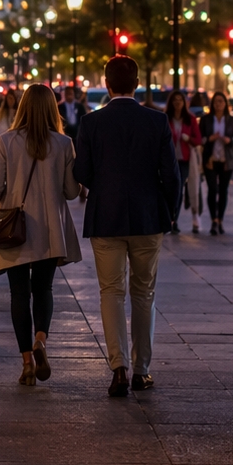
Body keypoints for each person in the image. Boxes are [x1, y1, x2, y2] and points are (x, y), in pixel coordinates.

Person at [74, 56, 180, 396]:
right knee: (144, 292)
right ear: (136, 84)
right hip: (148, 216)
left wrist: (103, 185)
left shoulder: (92, 123)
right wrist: (170, 212)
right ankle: (142, 368)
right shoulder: (157, 121)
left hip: (106, 215)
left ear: (106, 84)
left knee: (111, 292)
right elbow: (171, 174)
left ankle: (118, 366)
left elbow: (81, 173)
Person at [0, 84, 82, 386]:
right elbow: (72, 191)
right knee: (44, 289)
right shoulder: (64, 143)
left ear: (23, 107)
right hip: (51, 228)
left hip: (16, 227)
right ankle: (41, 339)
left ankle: (26, 360)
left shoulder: (6, 141)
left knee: (18, 293)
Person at [198, 92, 233, 235]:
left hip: (226, 159)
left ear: (225, 104)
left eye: (221, 101)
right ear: (212, 104)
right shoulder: (206, 119)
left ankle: (220, 220)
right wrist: (209, 139)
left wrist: (230, 141)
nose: (218, 104)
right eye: (216, 102)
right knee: (212, 189)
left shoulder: (231, 120)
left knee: (223, 190)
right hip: (211, 159)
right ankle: (213, 220)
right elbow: (199, 138)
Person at [167, 91, 203, 234]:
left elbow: (198, 140)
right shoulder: (166, 118)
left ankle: (174, 220)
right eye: (175, 100)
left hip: (184, 160)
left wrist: (189, 139)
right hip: (169, 160)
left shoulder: (190, 119)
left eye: (180, 100)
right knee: (169, 190)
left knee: (179, 188)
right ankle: (170, 218)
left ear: (184, 103)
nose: (177, 103)